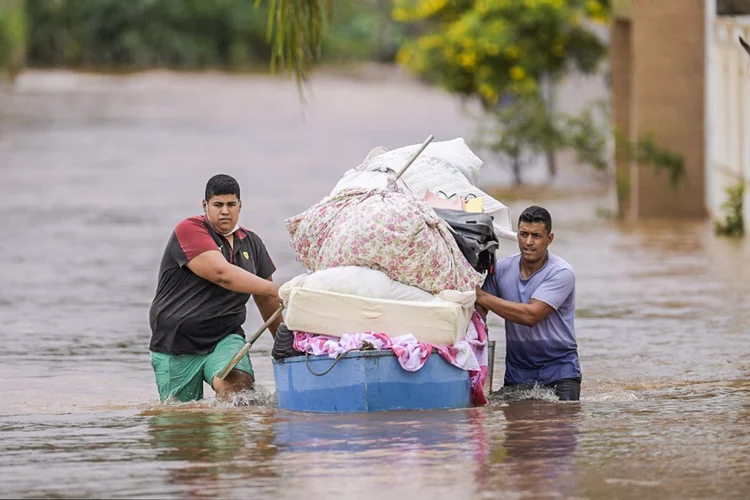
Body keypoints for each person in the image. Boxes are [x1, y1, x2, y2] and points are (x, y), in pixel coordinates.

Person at [148, 174, 282, 402]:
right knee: (182, 422)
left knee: (239, 394)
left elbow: (267, 298)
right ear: (205, 205)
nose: (225, 211)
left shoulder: (252, 243)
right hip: (176, 341)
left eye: (231, 205)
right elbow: (223, 275)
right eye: (218, 205)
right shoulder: (189, 230)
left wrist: (286, 345)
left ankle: (228, 435)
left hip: (225, 337)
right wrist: (282, 289)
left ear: (240, 205)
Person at [475, 205, 581, 401]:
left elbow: (531, 315)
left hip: (559, 372)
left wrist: (480, 296)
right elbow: (478, 312)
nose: (529, 242)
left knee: (561, 428)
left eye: (536, 236)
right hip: (517, 374)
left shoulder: (561, 273)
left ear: (550, 239)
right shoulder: (502, 269)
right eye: (523, 234)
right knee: (519, 430)